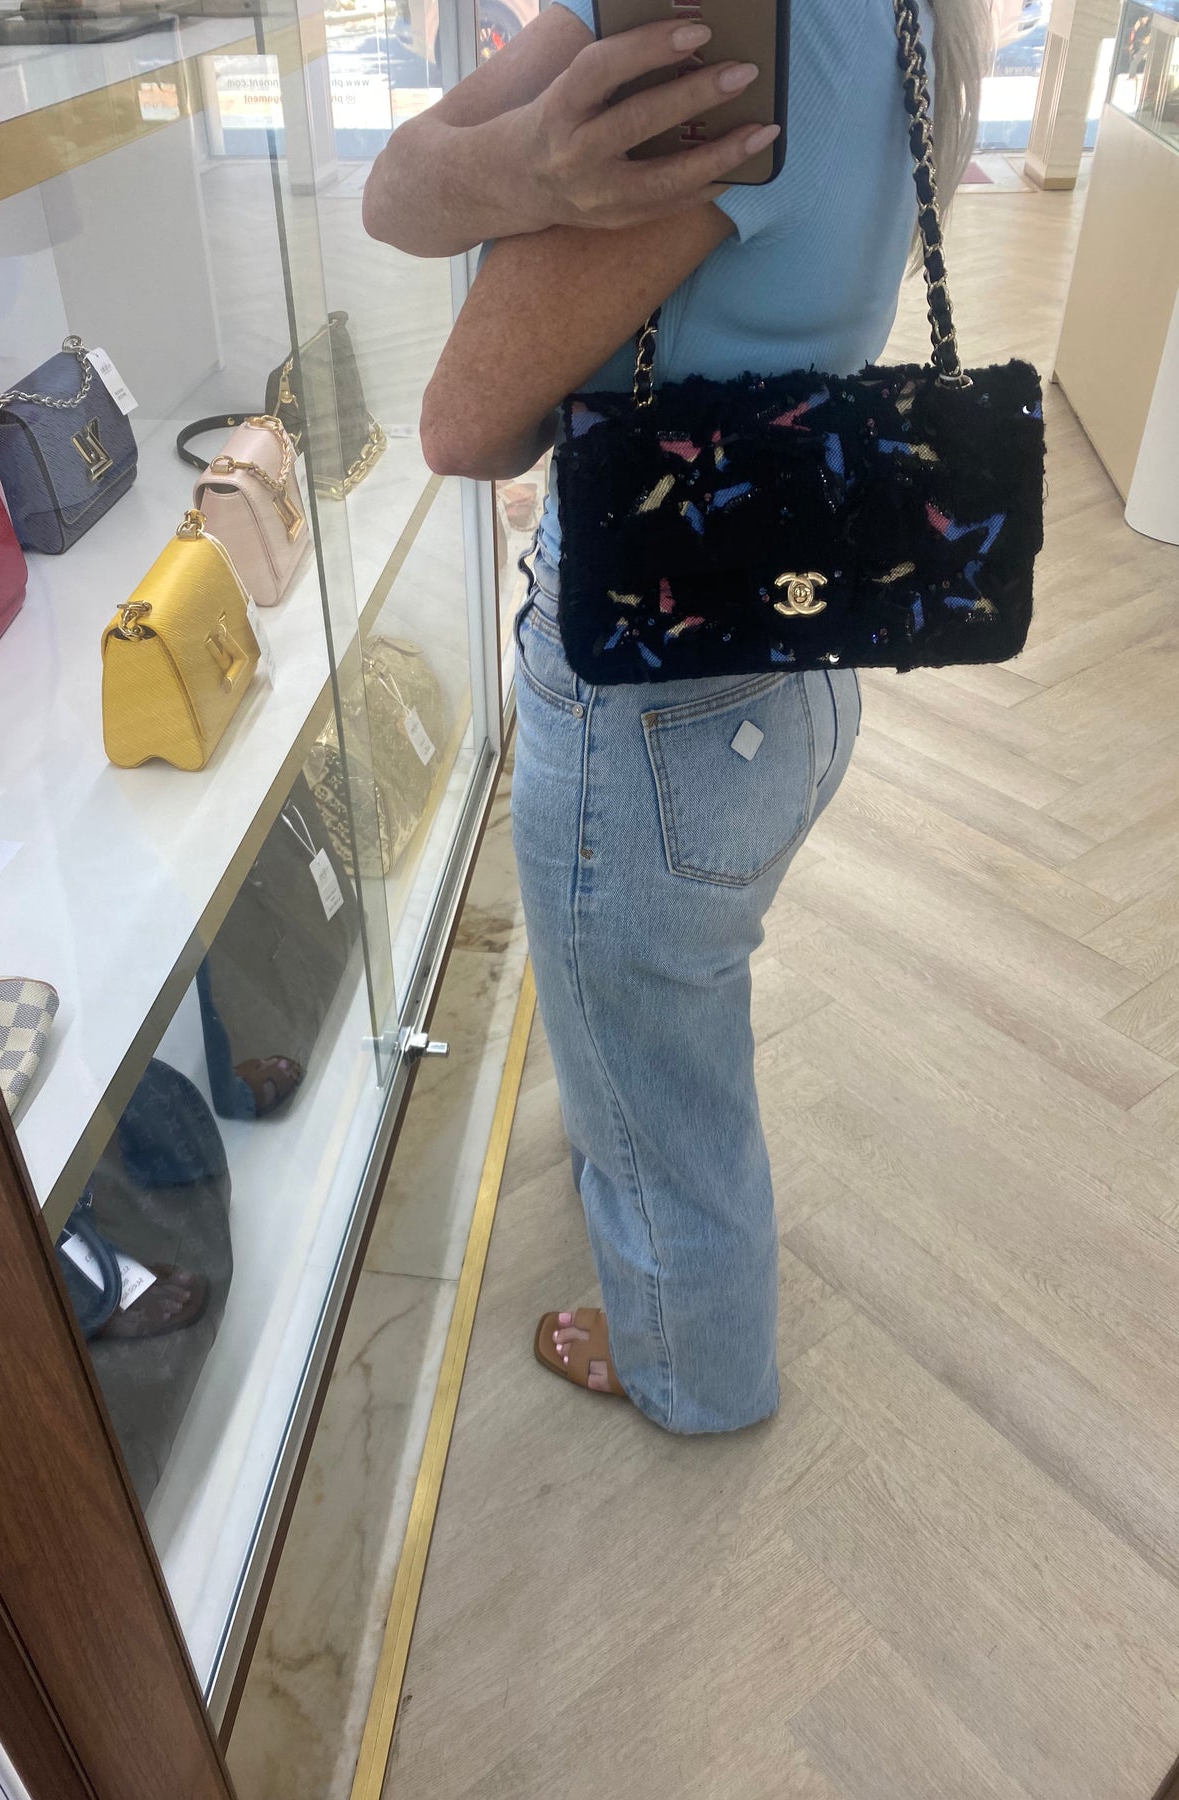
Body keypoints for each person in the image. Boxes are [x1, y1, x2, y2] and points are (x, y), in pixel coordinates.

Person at [365, 0, 988, 1433]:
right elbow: (401, 192)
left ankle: (693, 1368)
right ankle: (654, 1233)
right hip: (801, 625)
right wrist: (537, 165)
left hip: (650, 680)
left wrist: (524, 177)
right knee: (663, 1018)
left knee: (658, 1067)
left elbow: (466, 423)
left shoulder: (697, 33)